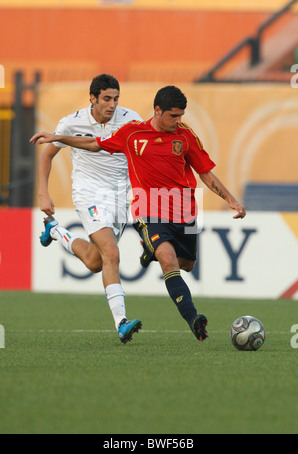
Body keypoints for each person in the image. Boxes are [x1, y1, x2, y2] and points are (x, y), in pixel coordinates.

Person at [30, 85, 246, 343]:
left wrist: (231, 199)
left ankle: (57, 231)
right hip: (146, 209)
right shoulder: (133, 133)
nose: (179, 121)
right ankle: (191, 318)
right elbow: (93, 144)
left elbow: (204, 171)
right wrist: (58, 138)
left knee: (184, 265)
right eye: (173, 116)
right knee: (161, 259)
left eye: (181, 116)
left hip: (185, 208)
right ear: (158, 110)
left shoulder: (185, 135)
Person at [37, 74, 143, 344]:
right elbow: (47, 155)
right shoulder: (72, 122)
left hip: (120, 196)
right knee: (112, 252)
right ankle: (121, 322)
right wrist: (43, 194)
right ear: (93, 98)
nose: (112, 104)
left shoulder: (132, 119)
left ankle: (56, 231)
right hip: (89, 194)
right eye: (107, 99)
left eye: (116, 99)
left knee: (96, 262)